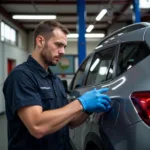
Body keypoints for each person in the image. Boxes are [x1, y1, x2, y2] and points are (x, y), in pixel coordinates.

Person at [3, 20, 111, 150]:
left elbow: (70, 121)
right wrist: (80, 103)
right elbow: (37, 126)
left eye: (64, 46)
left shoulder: (55, 80)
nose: (62, 51)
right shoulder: (21, 76)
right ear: (40, 41)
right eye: (58, 45)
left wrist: (87, 110)